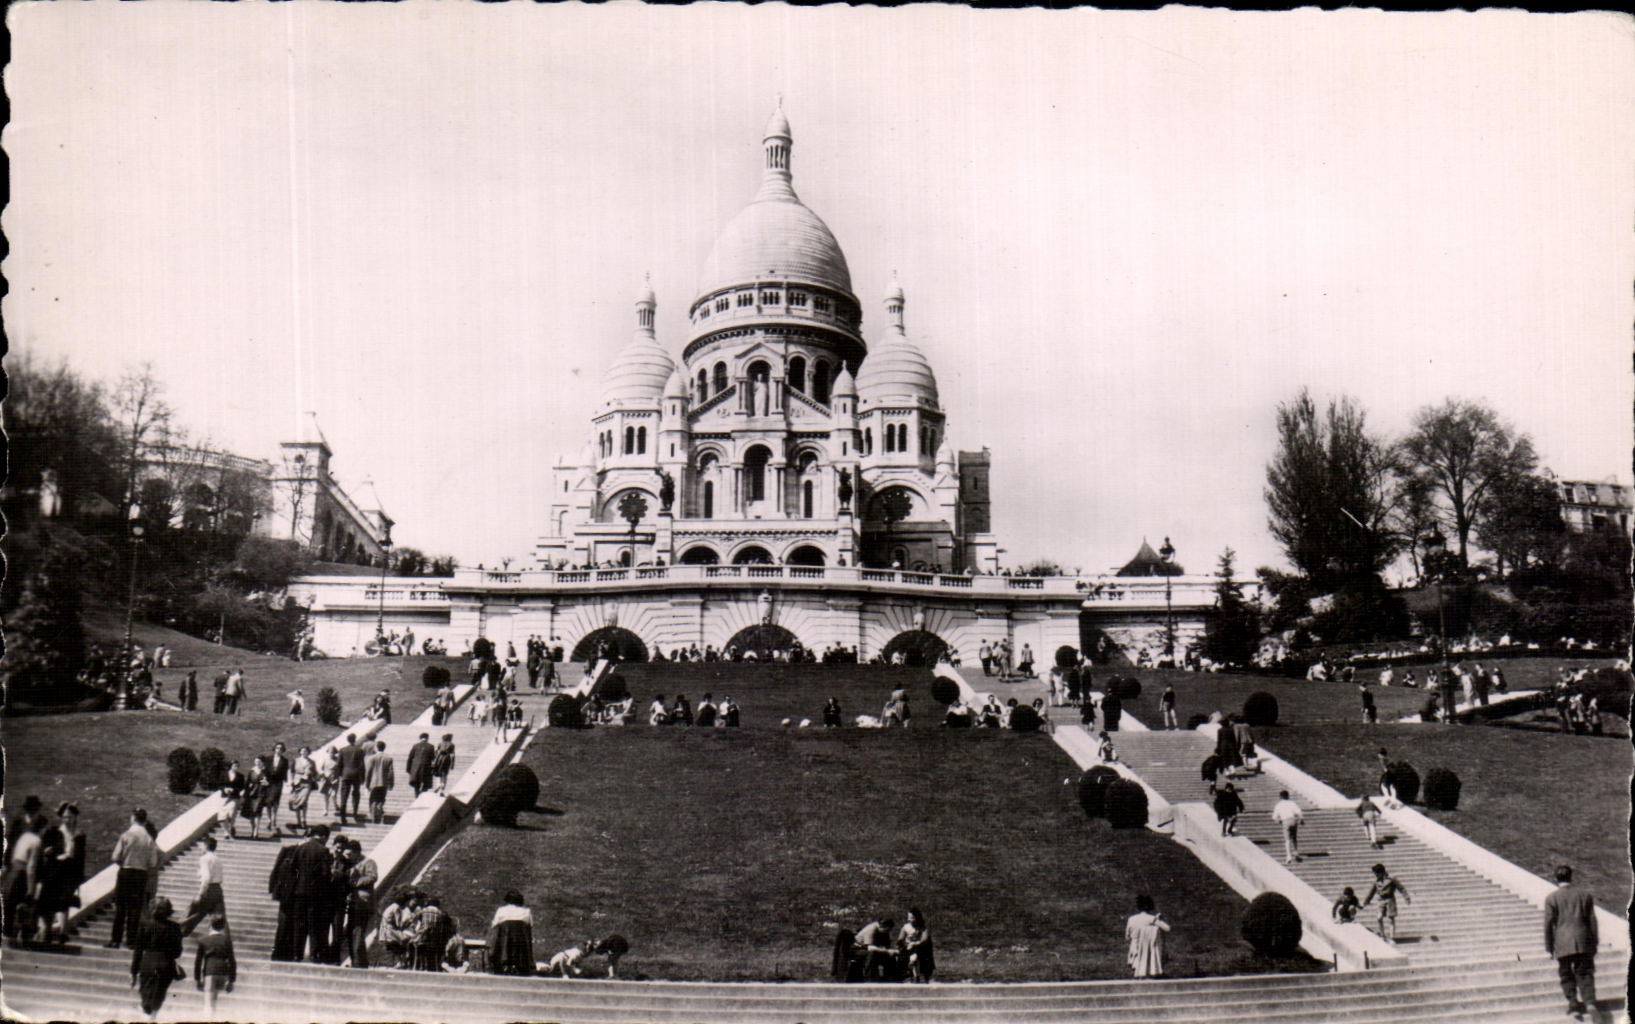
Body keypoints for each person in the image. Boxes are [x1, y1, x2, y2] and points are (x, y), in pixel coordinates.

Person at [1544, 864, 1599, 1021]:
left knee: (1566, 974)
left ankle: (1573, 1004)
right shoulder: (1584, 895)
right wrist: (1594, 942)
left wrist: (1549, 947)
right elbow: (1592, 921)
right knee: (1585, 972)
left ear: (1556, 879)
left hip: (1563, 942)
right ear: (1571, 877)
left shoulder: (1551, 898)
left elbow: (1548, 924)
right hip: (1583, 940)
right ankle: (1590, 1003)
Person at [108, 808, 159, 949]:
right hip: (141, 875)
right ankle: (130, 940)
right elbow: (153, 862)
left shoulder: (127, 835)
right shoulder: (149, 839)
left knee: (121, 908)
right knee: (135, 909)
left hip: (126, 872)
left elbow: (115, 857)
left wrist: (124, 863)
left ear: (133, 818)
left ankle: (115, 939)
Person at [36, 802, 86, 945]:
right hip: (54, 871)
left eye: (70, 817)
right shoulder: (55, 832)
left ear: (75, 817)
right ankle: (48, 932)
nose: (67, 820)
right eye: (64, 817)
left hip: (70, 872)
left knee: (65, 901)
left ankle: (63, 932)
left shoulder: (79, 835)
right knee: (51, 900)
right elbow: (46, 850)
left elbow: (81, 857)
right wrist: (50, 852)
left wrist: (79, 877)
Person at [130, 896, 184, 1022]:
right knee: (158, 997)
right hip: (166, 965)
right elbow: (177, 953)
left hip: (148, 963)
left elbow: (138, 950)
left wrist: (133, 972)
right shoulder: (175, 927)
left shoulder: (145, 924)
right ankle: (152, 1018)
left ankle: (147, 1017)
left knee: (146, 997)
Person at [3, 814, 42, 946]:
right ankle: (22, 937)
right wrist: (31, 890)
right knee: (25, 905)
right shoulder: (36, 841)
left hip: (13, 871)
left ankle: (7, 935)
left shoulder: (24, 837)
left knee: (9, 905)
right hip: (21, 874)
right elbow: (31, 867)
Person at [180, 835, 226, 935]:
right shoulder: (218, 859)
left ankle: (176, 933)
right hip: (218, 889)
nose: (201, 848)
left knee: (191, 915)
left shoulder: (204, 859)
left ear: (206, 846)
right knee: (219, 918)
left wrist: (200, 894)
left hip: (208, 890)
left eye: (202, 846)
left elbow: (206, 877)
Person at [194, 914, 237, 1018]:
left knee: (208, 1001)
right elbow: (232, 961)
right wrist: (231, 980)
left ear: (210, 925)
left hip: (209, 971)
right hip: (223, 972)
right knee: (215, 1000)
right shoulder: (227, 941)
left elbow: (198, 962)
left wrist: (198, 979)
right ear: (223, 926)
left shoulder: (203, 940)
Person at [486, 890, 535, 975]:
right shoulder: (526, 911)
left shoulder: (501, 910)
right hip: (520, 942)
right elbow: (530, 925)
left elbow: (494, 924)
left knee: (498, 931)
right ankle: (521, 964)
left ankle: (498, 960)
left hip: (505, 941)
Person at [1362, 863, 1411, 944]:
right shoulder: (1376, 881)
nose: (1376, 876)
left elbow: (1401, 888)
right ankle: (1382, 935)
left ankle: (1392, 938)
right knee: (1379, 917)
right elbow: (1371, 892)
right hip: (1381, 900)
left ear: (1382, 872)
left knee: (1391, 919)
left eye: (1377, 874)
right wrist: (1366, 901)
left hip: (1390, 899)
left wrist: (1407, 898)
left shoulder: (1391, 879)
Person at [1125, 894, 1169, 978]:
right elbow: (1167, 928)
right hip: (1146, 948)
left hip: (1134, 948)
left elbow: (1127, 937)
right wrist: (1159, 920)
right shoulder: (1151, 919)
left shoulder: (1131, 919)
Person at [897, 907, 934, 982]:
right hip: (907, 948)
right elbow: (900, 939)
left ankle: (919, 975)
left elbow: (924, 939)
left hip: (919, 948)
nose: (909, 920)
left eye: (912, 918)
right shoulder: (906, 927)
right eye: (909, 918)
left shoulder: (922, 928)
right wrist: (906, 944)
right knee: (905, 955)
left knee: (919, 954)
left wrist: (915, 943)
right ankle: (907, 974)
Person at [336, 734, 366, 825]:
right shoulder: (360, 750)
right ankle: (355, 812)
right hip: (356, 774)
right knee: (356, 793)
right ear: (355, 739)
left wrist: (340, 774)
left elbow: (339, 764)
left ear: (347, 740)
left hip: (346, 774)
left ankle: (343, 816)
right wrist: (363, 777)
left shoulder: (342, 750)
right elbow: (362, 765)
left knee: (344, 795)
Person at [365, 741, 396, 824]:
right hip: (384, 783)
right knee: (381, 798)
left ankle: (373, 816)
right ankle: (380, 808)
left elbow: (368, 772)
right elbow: (391, 773)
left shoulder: (371, 758)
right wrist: (391, 784)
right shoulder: (389, 758)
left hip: (373, 783)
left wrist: (367, 784)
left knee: (373, 799)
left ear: (376, 747)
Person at [289, 746, 317, 832]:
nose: (304, 753)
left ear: (308, 752)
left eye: (305, 751)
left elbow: (315, 773)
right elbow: (292, 771)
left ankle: (304, 820)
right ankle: (298, 821)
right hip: (297, 783)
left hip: (306, 783)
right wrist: (291, 781)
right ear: (300, 752)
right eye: (302, 751)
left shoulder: (311, 762)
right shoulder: (295, 760)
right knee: (296, 801)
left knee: (304, 801)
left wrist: (311, 774)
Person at [1271, 791, 1304, 864]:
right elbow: (1299, 812)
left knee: (1287, 839)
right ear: (1288, 796)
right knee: (1294, 838)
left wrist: (1278, 821)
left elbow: (1274, 817)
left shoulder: (1278, 805)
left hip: (1285, 821)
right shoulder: (1292, 803)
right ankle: (1296, 852)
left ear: (1280, 797)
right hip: (1293, 820)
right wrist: (1301, 819)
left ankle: (1289, 856)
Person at [265, 743, 292, 833]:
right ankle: (269, 819)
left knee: (275, 801)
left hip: (278, 783)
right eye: (277, 748)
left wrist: (287, 782)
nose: (279, 750)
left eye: (281, 748)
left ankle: (274, 818)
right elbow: (264, 771)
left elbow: (285, 772)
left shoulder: (285, 760)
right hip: (268, 783)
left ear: (283, 750)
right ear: (274, 749)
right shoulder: (268, 759)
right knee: (268, 801)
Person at [407, 733, 437, 797]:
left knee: (416, 783)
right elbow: (433, 758)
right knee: (426, 783)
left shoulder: (415, 746)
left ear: (420, 738)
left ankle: (417, 795)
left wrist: (408, 768)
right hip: (426, 767)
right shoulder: (431, 746)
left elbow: (410, 757)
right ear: (427, 738)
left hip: (415, 768)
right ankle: (422, 792)